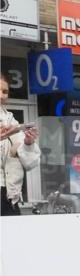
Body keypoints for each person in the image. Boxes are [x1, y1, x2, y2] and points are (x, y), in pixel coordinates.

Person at [0, 72, 40, 216]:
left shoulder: (11, 121)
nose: (1, 95)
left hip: (9, 194)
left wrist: (28, 143)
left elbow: (30, 163)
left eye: (5, 92)